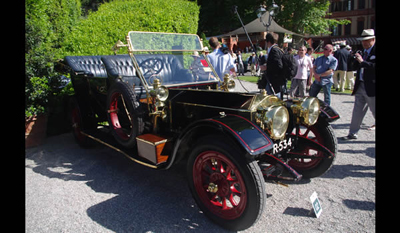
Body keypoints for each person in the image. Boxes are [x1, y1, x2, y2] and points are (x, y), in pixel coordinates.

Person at [340, 29, 376, 140]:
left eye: (367, 41)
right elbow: (356, 67)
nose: (364, 43)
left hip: (372, 87)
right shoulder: (362, 52)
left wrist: (362, 62)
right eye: (363, 41)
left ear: (373, 40)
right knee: (357, 111)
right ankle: (352, 133)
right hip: (360, 85)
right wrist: (354, 61)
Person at [260, 33, 284, 97]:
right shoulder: (279, 49)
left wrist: (266, 67)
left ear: (268, 42)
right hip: (276, 80)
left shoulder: (274, 50)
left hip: (274, 80)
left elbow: (278, 65)